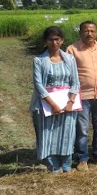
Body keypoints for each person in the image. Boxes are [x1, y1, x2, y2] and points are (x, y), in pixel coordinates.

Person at [30, 26, 80, 173]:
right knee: (48, 133)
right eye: (50, 40)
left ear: (62, 40)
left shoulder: (70, 59)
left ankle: (66, 165)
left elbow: (75, 82)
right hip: (46, 104)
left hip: (67, 104)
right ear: (46, 41)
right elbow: (38, 84)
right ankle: (53, 166)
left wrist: (70, 102)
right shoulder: (39, 60)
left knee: (67, 133)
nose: (54, 43)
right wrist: (53, 104)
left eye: (57, 39)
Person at [67, 21, 97, 171]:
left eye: (92, 31)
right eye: (86, 31)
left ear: (96, 32)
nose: (89, 33)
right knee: (82, 129)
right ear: (80, 33)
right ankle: (82, 158)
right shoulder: (72, 50)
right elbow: (67, 73)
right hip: (81, 96)